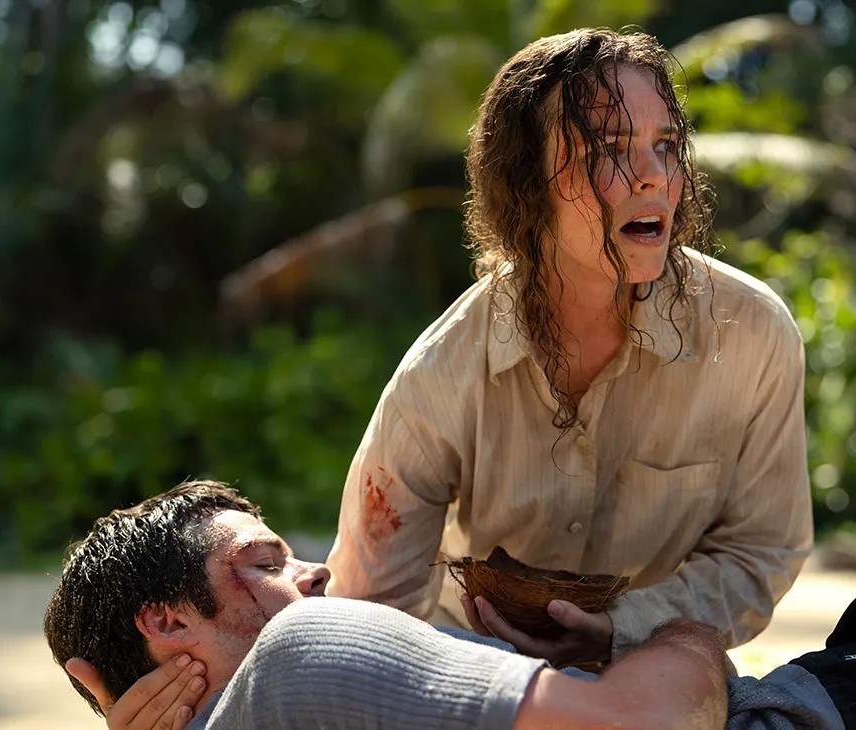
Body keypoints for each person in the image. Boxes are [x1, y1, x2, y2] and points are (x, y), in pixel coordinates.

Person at [323, 27, 813, 668]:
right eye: (609, 150)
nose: (654, 177)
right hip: (473, 672)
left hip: (651, 673)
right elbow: (369, 608)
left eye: (666, 146)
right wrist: (466, 685)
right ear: (526, 183)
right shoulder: (443, 372)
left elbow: (760, 552)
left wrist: (623, 630)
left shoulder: (751, 335)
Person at [53, 480, 856, 729]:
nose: (316, 573)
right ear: (168, 625)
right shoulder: (306, 652)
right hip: (833, 720)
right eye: (264, 560)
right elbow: (645, 725)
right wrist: (676, 636)